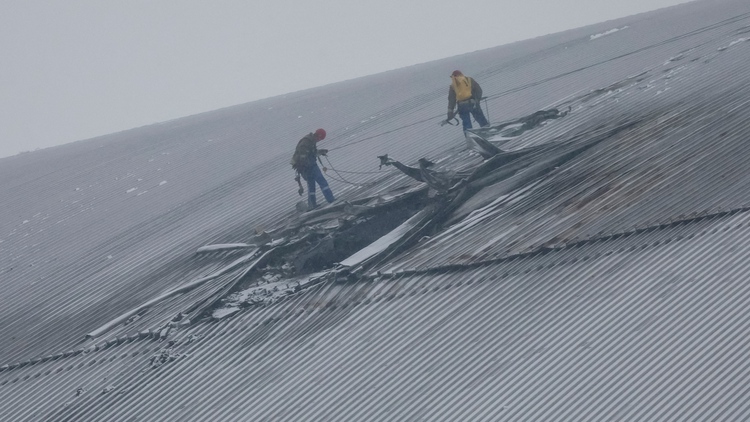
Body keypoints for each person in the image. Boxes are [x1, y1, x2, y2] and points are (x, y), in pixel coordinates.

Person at [290, 128, 335, 210]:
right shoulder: (307, 142)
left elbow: (311, 152)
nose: (319, 140)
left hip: (306, 168)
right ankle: (331, 200)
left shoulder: (310, 141)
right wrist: (307, 166)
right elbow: (303, 156)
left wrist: (321, 152)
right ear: (318, 136)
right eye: (320, 138)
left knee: (311, 186)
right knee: (322, 182)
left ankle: (312, 205)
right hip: (309, 167)